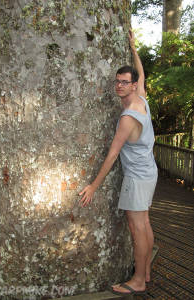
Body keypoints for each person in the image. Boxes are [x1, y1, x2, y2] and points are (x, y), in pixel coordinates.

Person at [79, 29, 158, 296]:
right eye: (118, 82)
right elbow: (142, 73)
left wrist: (93, 186)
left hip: (137, 178)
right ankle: (145, 270)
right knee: (145, 223)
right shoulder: (142, 100)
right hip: (149, 172)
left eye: (125, 82)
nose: (120, 85)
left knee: (137, 229)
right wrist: (134, 49)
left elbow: (112, 155)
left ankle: (137, 280)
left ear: (132, 86)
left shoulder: (127, 118)